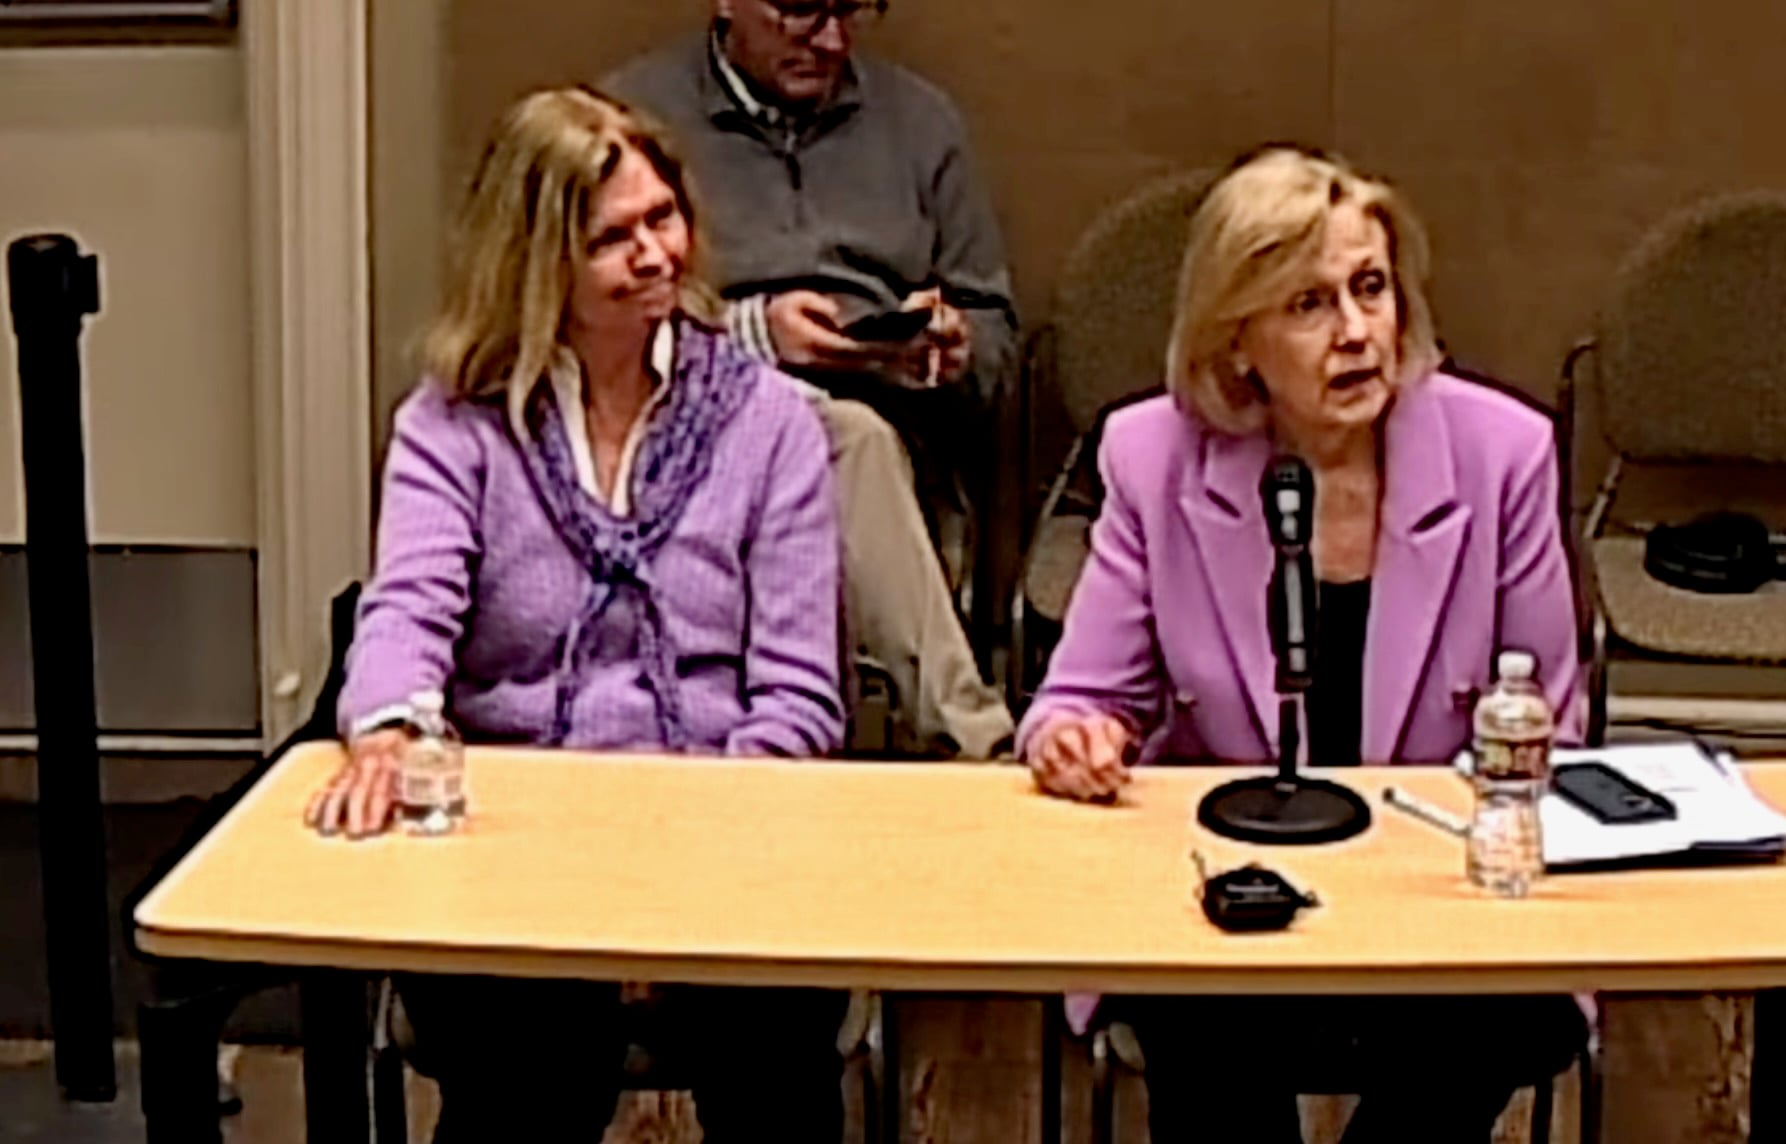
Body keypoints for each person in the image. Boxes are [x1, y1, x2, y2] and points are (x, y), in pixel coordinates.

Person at [304, 88, 849, 1143]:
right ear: (536, 259)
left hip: (723, 821)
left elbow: (797, 695)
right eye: (612, 237)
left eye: (663, 218)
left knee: (775, 1048)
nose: (654, 254)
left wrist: (676, 890)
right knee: (526, 1064)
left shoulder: (769, 423)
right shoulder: (451, 422)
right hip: (515, 835)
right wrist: (387, 729)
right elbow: (407, 610)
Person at [1016, 146, 1589, 1142]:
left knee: (1487, 1020)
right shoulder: (1153, 458)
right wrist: (1077, 738)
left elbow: (1546, 730)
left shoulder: (1501, 455)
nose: (1358, 331)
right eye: (1308, 305)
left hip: (1436, 891)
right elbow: (1082, 696)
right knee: (1199, 1030)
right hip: (1230, 894)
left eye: (1369, 288)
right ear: (1236, 344)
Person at [604, 0, 1016, 759]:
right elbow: (594, 318)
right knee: (837, 436)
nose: (829, 39)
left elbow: (996, 345)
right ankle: (977, 744)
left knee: (860, 435)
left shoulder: (921, 125)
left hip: (899, 427)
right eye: (799, 9)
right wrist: (756, 334)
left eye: (852, 9)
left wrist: (951, 348)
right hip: (696, 430)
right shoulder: (634, 121)